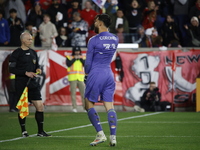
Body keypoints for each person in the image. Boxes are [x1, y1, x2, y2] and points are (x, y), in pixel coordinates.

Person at [84, 14, 118, 146]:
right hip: (108, 74)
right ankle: (113, 137)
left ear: (100, 23)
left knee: (88, 104)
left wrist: (87, 75)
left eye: (96, 21)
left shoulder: (93, 40)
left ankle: (100, 134)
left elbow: (88, 63)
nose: (94, 22)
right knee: (109, 106)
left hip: (96, 73)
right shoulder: (115, 39)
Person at [9, 32, 51, 137]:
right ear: (23, 40)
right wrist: (25, 73)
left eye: (31, 39)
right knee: (23, 107)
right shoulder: (16, 53)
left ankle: (40, 131)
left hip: (33, 83)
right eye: (29, 39)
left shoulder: (33, 52)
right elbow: (11, 69)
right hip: (21, 84)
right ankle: (24, 131)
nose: (31, 41)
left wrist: (38, 69)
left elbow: (37, 66)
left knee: (40, 106)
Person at [66, 46, 85, 112]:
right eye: (76, 51)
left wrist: (80, 59)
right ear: (73, 51)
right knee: (73, 93)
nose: (77, 52)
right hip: (73, 78)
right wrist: (74, 59)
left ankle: (85, 108)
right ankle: (74, 107)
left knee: (83, 94)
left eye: (78, 51)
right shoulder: (69, 57)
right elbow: (68, 64)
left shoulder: (83, 57)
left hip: (80, 78)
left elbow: (85, 64)